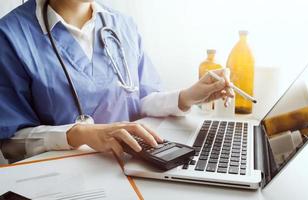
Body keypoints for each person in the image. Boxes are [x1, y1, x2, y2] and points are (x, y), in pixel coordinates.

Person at [0, 0, 234, 158]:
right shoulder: (10, 36)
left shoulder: (121, 24)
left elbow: (138, 100)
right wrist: (78, 134)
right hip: (61, 178)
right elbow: (10, 141)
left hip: (132, 164)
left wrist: (186, 97)